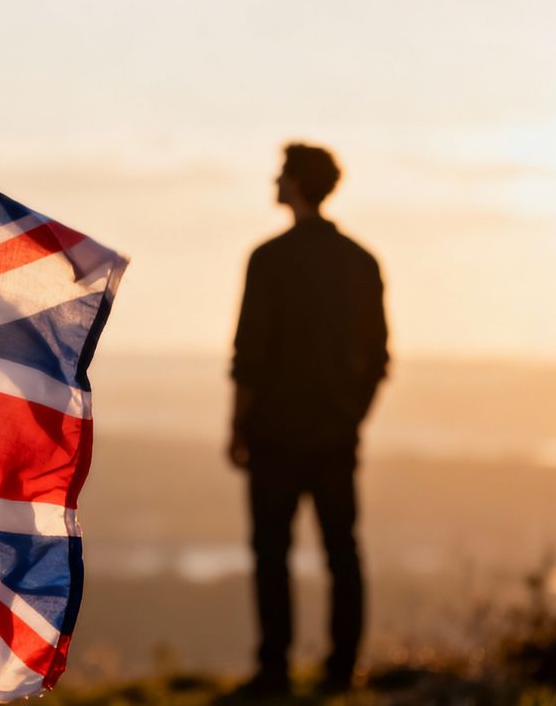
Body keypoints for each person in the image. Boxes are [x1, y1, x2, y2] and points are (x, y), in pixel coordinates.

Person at [226, 143, 388, 697]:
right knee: (342, 550)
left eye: (280, 174)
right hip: (335, 432)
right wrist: (354, 416)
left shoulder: (269, 259)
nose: (273, 180)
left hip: (274, 431)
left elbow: (249, 354)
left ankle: (275, 670)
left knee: (272, 552)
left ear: (295, 184)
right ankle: (341, 670)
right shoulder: (361, 262)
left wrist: (237, 426)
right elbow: (380, 357)